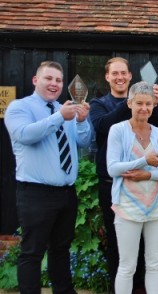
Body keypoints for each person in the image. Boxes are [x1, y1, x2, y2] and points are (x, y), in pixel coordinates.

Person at [4, 60, 92, 293]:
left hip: (66, 193)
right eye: (49, 78)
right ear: (36, 80)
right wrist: (58, 117)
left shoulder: (66, 110)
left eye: (59, 80)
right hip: (35, 193)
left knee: (61, 249)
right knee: (32, 252)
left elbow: (84, 142)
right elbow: (24, 134)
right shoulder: (19, 107)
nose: (54, 84)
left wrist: (81, 121)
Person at [89, 57, 158, 292]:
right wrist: (133, 101)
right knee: (117, 242)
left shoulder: (145, 104)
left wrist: (153, 104)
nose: (119, 77)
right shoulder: (98, 104)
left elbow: (157, 130)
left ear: (130, 76)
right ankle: (117, 288)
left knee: (143, 243)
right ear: (107, 77)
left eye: (124, 73)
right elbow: (103, 126)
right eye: (115, 73)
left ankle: (139, 288)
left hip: (145, 185)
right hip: (113, 184)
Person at [107, 81, 158, 294]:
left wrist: (147, 174)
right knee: (127, 266)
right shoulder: (118, 130)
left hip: (157, 208)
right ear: (129, 103)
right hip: (127, 207)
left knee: (155, 263)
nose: (144, 108)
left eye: (148, 104)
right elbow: (112, 168)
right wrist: (143, 160)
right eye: (139, 103)